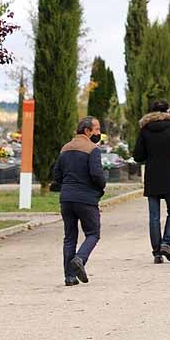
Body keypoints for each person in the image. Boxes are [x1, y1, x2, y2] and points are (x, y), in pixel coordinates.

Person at [133, 99, 170, 264]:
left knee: (154, 216)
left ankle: (157, 252)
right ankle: (166, 243)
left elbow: (138, 156)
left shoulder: (144, 130)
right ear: (168, 111)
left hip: (152, 177)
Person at [51, 116, 106, 286]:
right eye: (96, 129)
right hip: (86, 198)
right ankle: (80, 259)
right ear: (87, 131)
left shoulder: (65, 149)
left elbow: (56, 175)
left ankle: (69, 277)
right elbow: (97, 174)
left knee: (69, 237)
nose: (99, 133)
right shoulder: (92, 149)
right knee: (93, 233)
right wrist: (100, 188)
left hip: (66, 198)